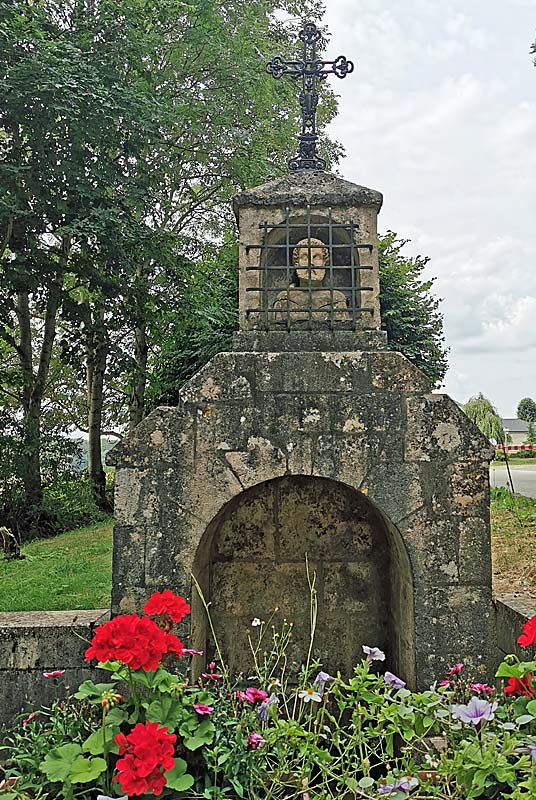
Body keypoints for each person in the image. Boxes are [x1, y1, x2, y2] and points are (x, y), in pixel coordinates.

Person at [272, 237, 348, 324]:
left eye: (317, 257)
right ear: (296, 263)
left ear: (324, 263)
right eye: (304, 258)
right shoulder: (284, 299)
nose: (311, 262)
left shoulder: (336, 299)